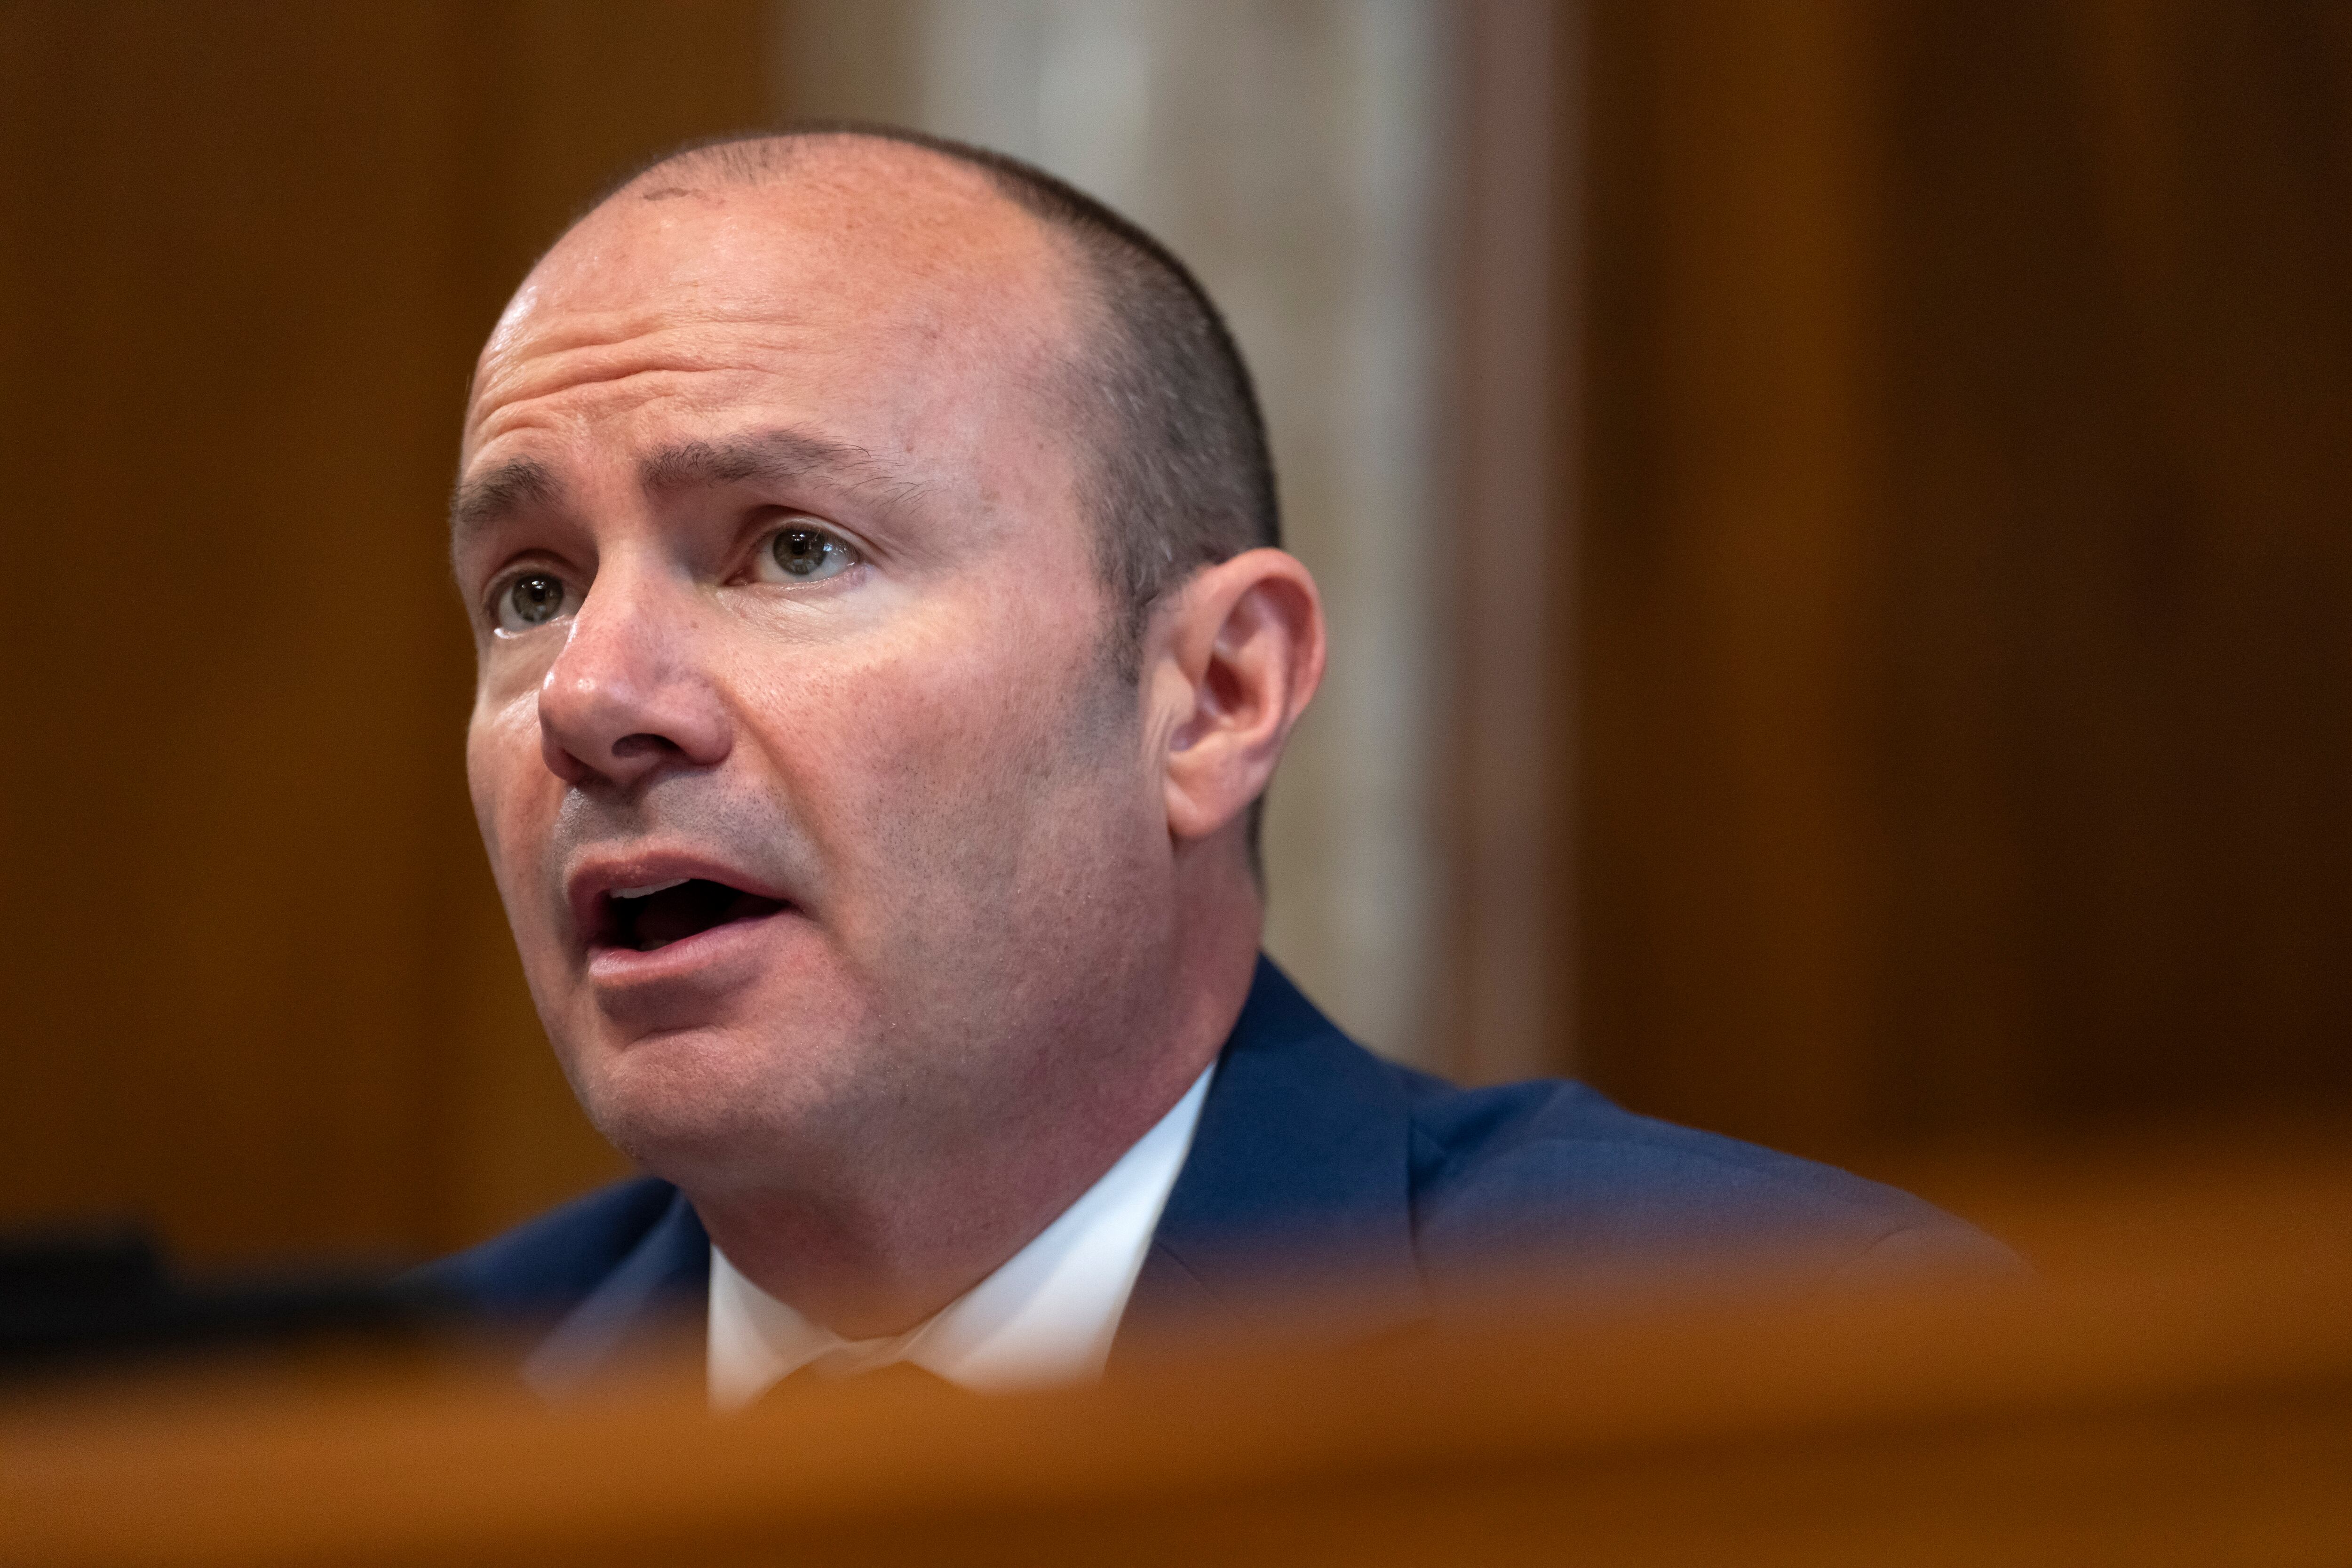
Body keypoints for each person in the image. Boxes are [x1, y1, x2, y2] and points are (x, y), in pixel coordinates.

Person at [422, 126, 2008, 1405]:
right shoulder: (374, 1434)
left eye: (794, 549)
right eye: (533, 590)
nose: (591, 698)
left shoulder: (1779, 1365)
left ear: (1215, 697)